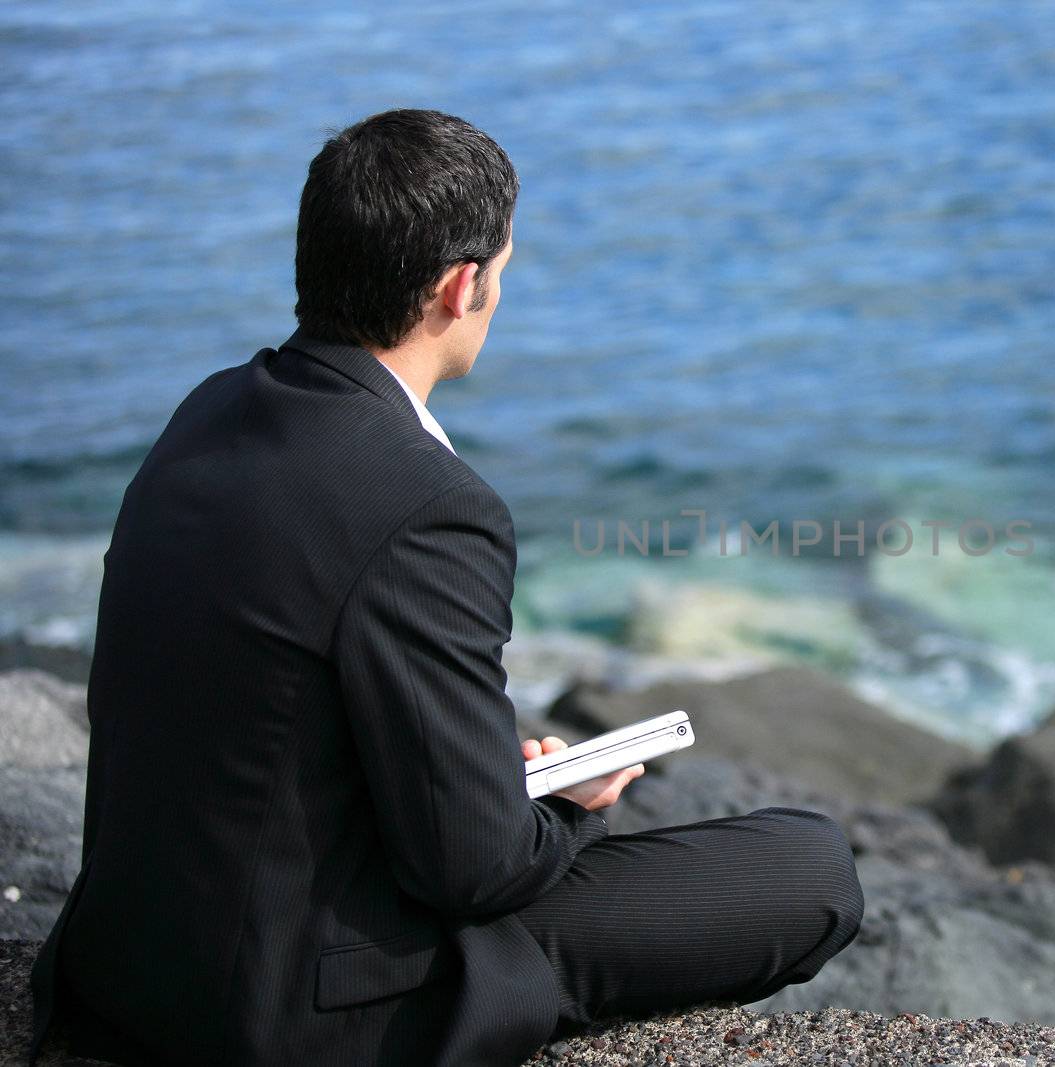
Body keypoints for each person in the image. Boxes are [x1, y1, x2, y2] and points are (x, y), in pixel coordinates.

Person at [28, 108, 864, 1067]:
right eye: (502, 272)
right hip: (290, 1013)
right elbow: (474, 869)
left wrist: (471, 777)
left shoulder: (208, 411)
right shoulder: (431, 507)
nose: (500, 294)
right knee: (812, 866)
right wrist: (568, 807)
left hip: (129, 957)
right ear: (459, 287)